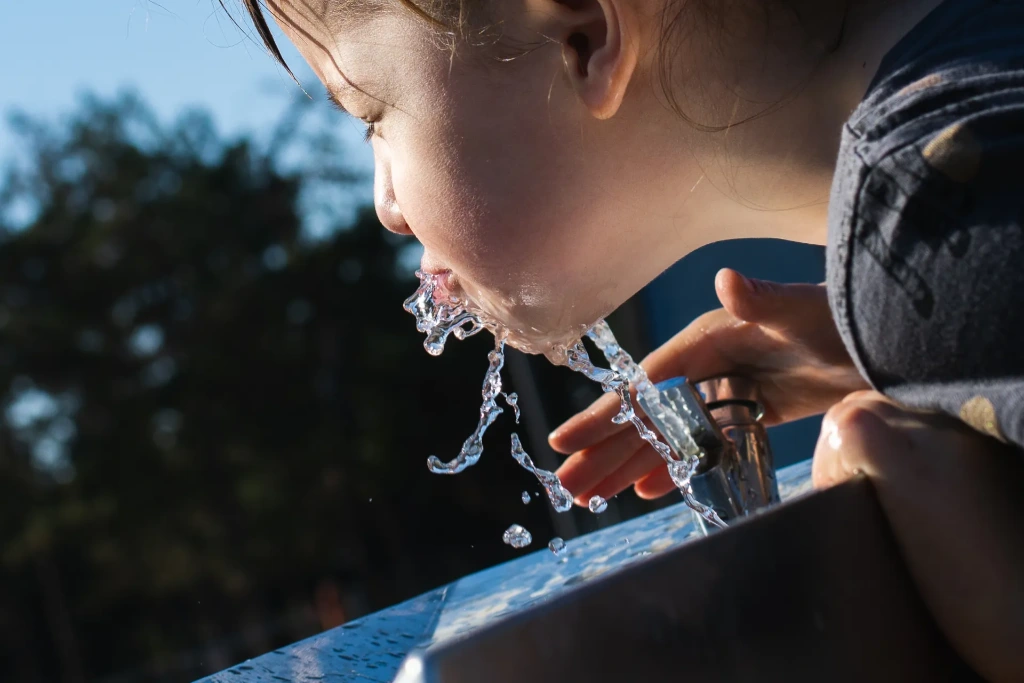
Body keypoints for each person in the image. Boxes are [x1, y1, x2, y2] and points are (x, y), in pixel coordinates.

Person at [231, 0, 1023, 678]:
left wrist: (947, 562)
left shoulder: (941, 225)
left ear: (583, 36)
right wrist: (911, 353)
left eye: (372, 116)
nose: (387, 206)